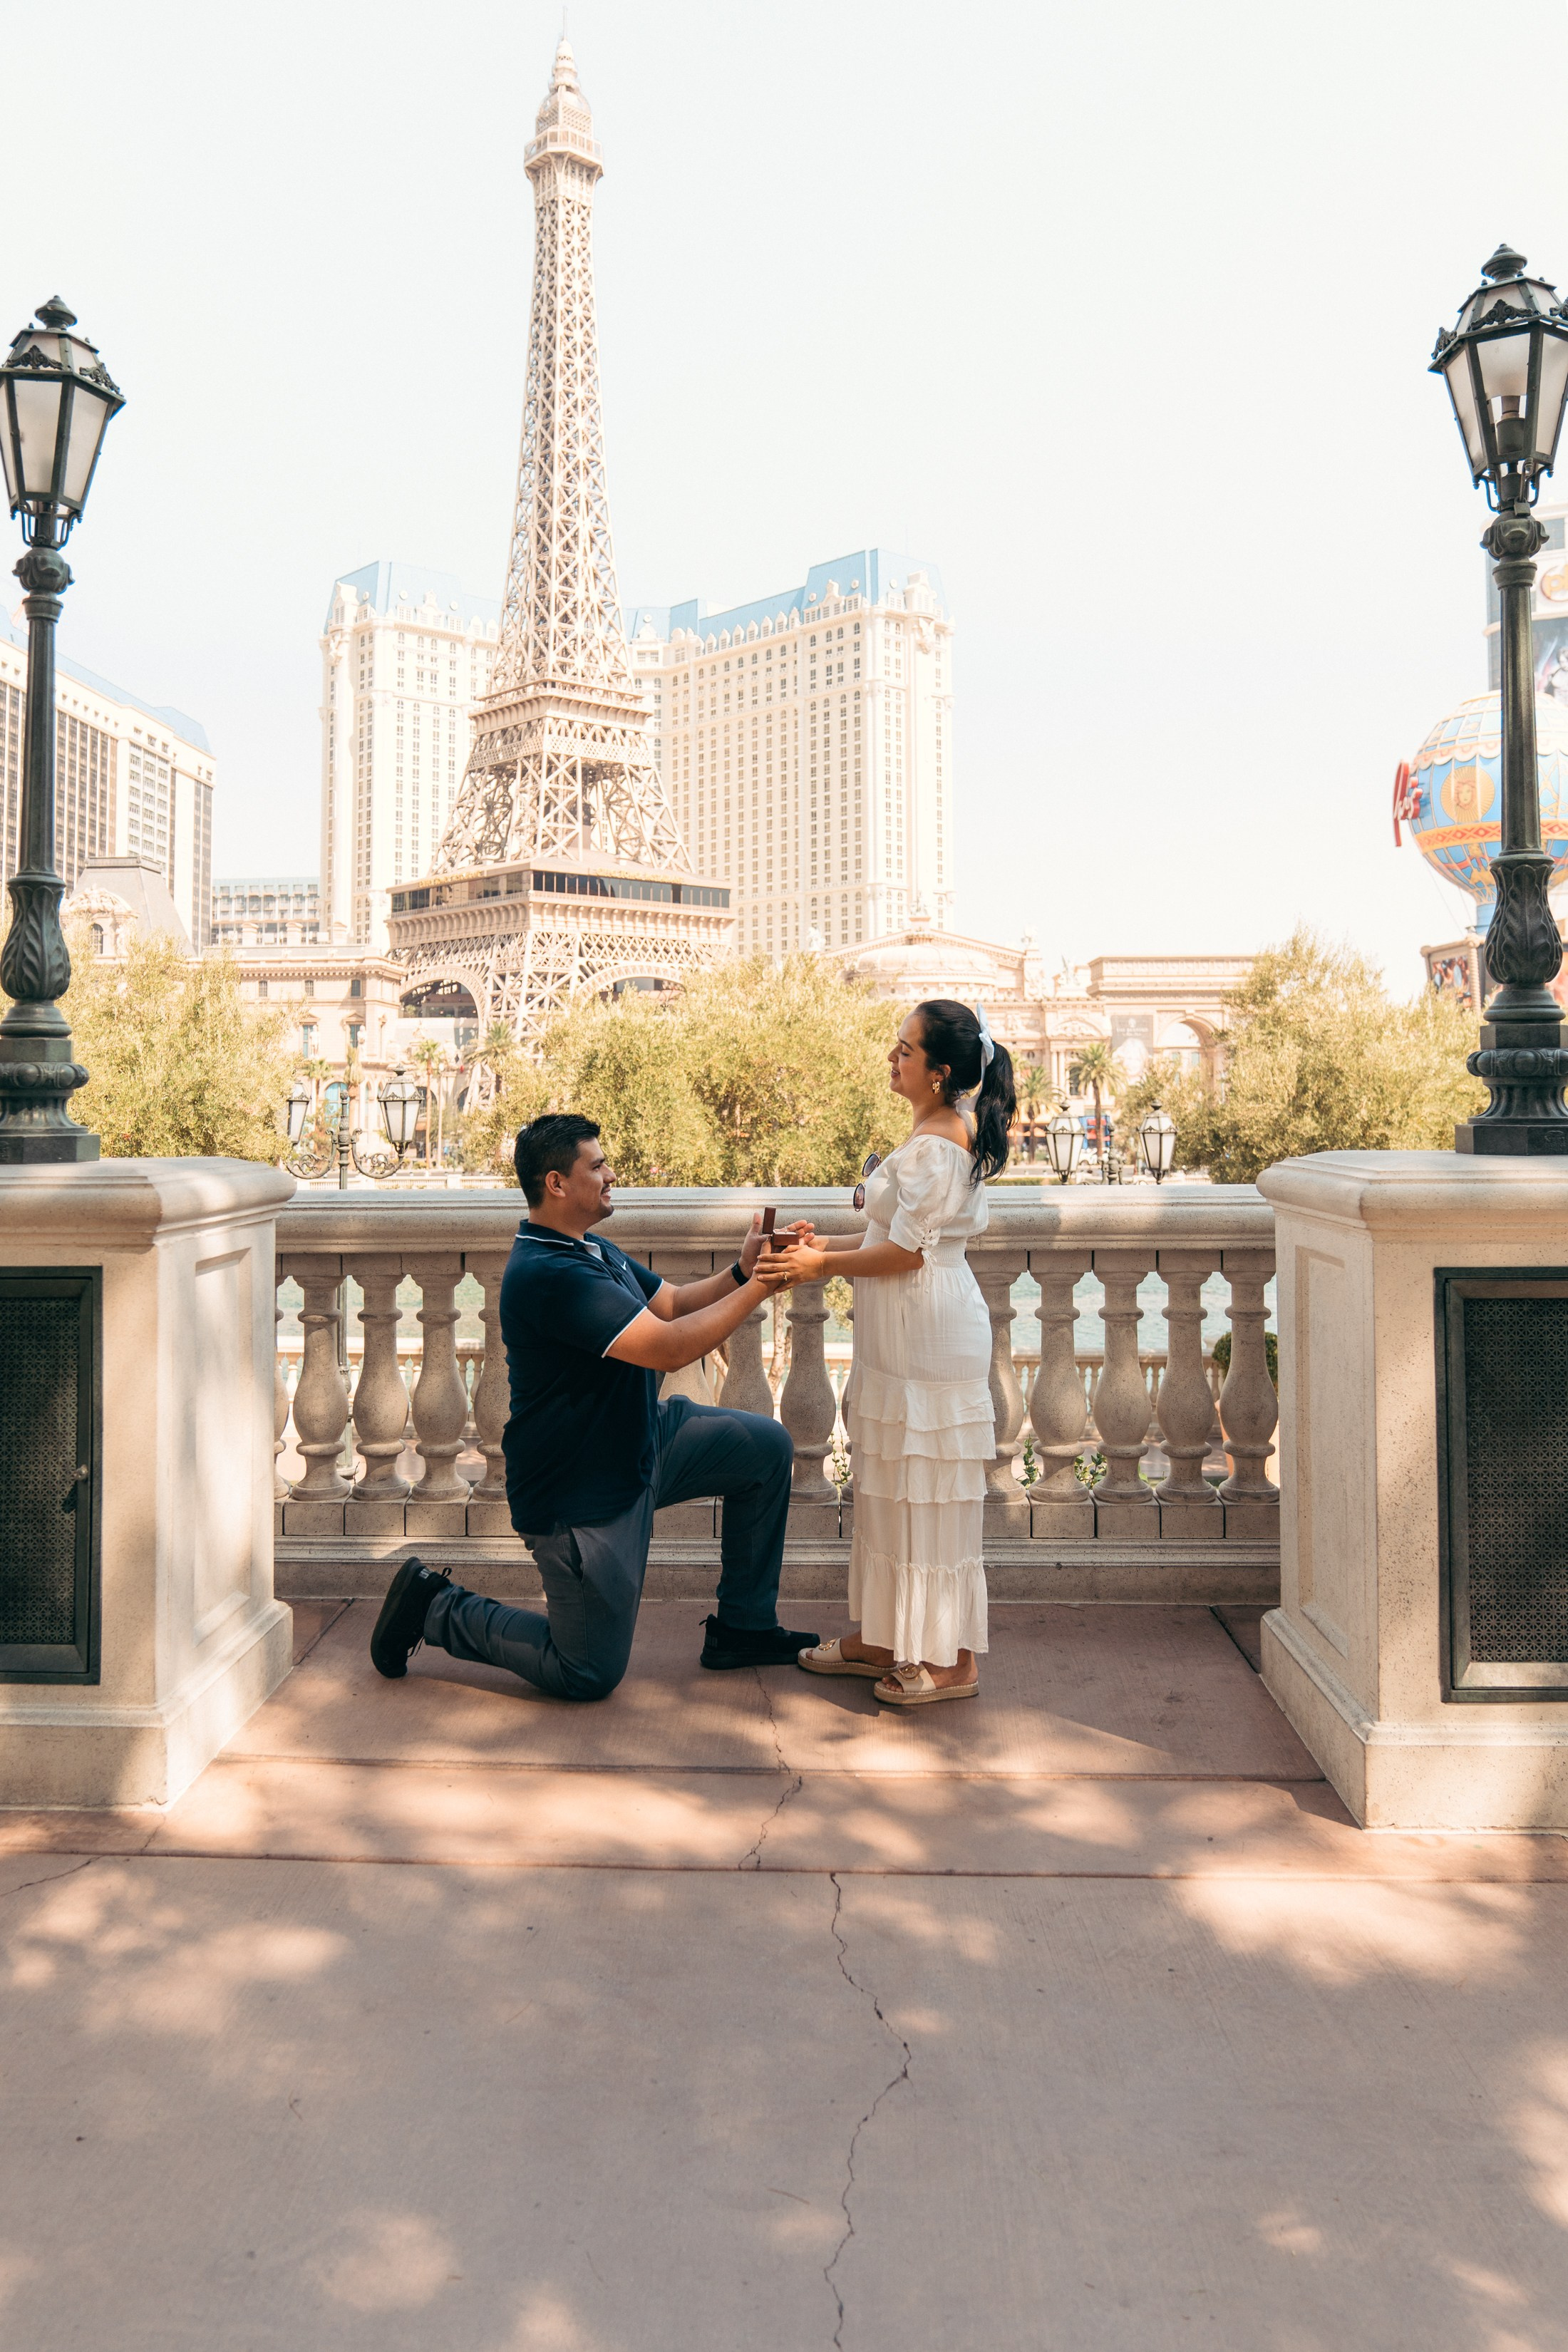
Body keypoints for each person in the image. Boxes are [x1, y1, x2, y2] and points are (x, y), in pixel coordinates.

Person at [369, 1113, 818, 1699]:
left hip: (639, 1441)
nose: (611, 1175)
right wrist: (764, 1285)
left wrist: (743, 1269)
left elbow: (675, 1305)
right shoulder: (551, 1273)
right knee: (586, 1671)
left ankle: (745, 1627)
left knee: (766, 1449)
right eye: (598, 1165)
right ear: (557, 1184)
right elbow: (670, 1349)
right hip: (582, 1492)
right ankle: (433, 1606)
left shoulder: (588, 1249)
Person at [777, 1001, 1015, 1708]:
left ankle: (953, 1660)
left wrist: (821, 1269)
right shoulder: (931, 1134)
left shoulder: (940, 1147)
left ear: (940, 1073)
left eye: (905, 1051)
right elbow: (890, 1234)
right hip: (902, 1337)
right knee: (889, 1488)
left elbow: (909, 1254)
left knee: (932, 1495)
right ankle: (885, 1635)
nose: (893, 1059)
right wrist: (822, 1250)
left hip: (930, 1336)